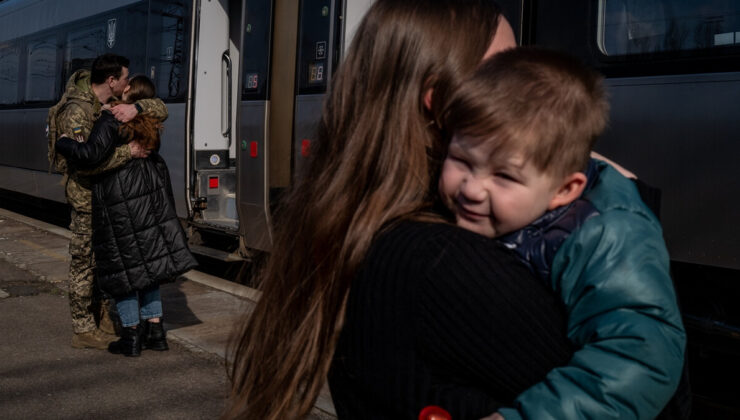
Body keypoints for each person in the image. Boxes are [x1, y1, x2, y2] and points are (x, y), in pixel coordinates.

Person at [224, 2, 574, 419]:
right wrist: (617, 207)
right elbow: (651, 387)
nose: (525, 93)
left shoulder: (359, 231)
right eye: (505, 74)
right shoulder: (444, 263)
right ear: (437, 100)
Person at [438, 47, 685, 419]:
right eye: (461, 160)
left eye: (504, 176)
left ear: (564, 190)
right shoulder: (523, 200)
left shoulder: (603, 235)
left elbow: (639, 353)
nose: (472, 189)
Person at [54, 75, 197, 357]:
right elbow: (160, 108)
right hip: (149, 199)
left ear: (129, 91)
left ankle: (130, 334)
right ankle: (155, 330)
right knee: (148, 268)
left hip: (121, 199)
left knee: (124, 269)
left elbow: (91, 154)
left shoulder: (113, 118)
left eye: (126, 83)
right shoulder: (150, 120)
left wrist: (63, 144)